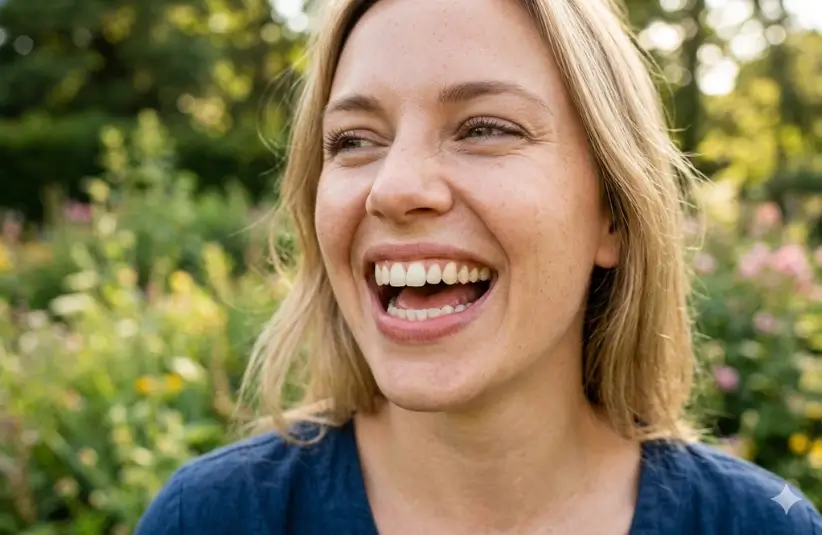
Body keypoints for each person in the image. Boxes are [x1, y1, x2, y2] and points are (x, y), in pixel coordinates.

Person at [135, 0, 822, 533]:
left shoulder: (760, 524)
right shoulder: (213, 517)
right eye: (353, 140)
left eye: (485, 128)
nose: (393, 187)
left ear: (612, 212)